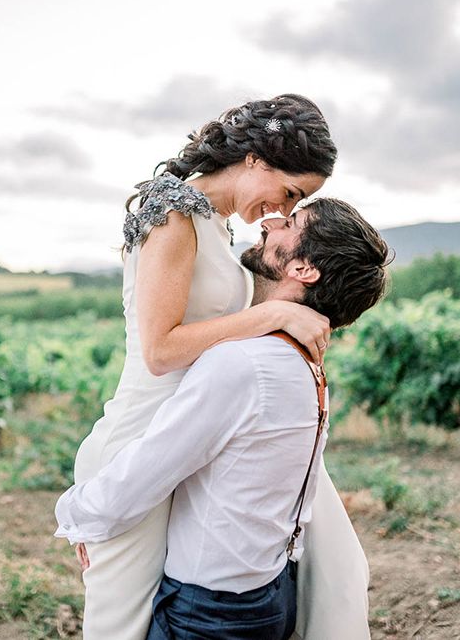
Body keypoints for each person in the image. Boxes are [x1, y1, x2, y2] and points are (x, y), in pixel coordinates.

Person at [68, 94, 366, 640]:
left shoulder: (216, 227)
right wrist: (272, 312)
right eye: (291, 192)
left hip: (186, 440)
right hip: (144, 440)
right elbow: (161, 352)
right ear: (255, 160)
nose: (281, 209)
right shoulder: (175, 215)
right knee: (120, 626)